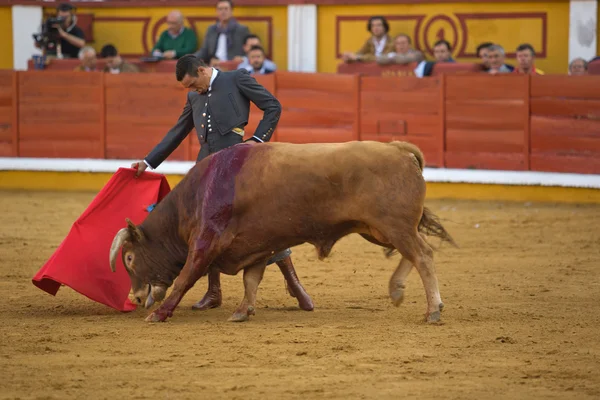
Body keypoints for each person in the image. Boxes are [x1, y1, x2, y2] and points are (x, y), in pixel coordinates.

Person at [130, 55, 314, 312]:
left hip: (239, 168)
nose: (194, 91)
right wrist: (148, 162)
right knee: (204, 229)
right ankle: (213, 292)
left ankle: (293, 284)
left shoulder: (236, 79)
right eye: (189, 89)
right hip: (205, 170)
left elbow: (273, 106)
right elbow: (178, 131)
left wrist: (258, 140)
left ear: (204, 70)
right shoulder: (194, 96)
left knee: (261, 223)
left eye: (194, 84)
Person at [193, 0, 249, 67]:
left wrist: (243, 58)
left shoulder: (241, 30)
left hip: (232, 67)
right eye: (220, 9)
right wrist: (190, 59)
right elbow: (204, 51)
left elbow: (250, 50)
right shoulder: (212, 29)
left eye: (226, 9)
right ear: (217, 12)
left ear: (231, 11)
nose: (223, 12)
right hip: (214, 65)